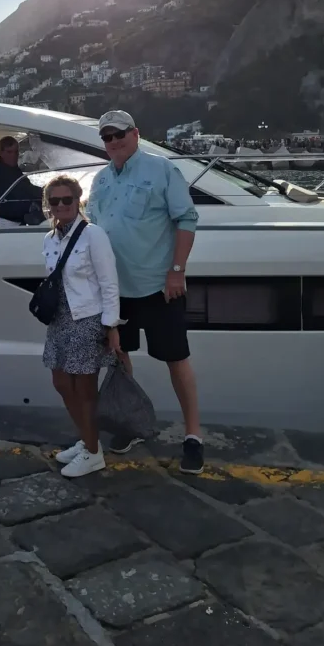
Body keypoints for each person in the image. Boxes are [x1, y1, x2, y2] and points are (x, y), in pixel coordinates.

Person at [86, 109, 204, 475]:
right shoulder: (101, 180)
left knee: (176, 359)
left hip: (158, 286)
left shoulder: (163, 170)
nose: (114, 141)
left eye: (119, 133)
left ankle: (193, 436)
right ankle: (132, 423)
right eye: (106, 137)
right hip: (115, 291)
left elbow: (186, 219)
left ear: (135, 133)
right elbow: (92, 229)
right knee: (120, 359)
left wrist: (176, 272)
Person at [42, 174, 121, 478]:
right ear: (48, 205)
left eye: (67, 200)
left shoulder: (93, 235)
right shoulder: (48, 240)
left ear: (78, 202)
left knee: (84, 389)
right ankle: (88, 441)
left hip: (87, 320)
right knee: (61, 383)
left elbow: (108, 283)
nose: (61, 205)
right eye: (55, 200)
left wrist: (111, 325)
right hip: (59, 319)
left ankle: (92, 452)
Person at [0, 136, 43, 227]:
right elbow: (26, 190)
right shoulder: (2, 173)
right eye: (9, 152)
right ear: (1, 153)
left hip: (17, 217)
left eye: (16, 152)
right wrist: (46, 192)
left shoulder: (13, 170)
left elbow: (27, 187)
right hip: (8, 221)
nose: (14, 155)